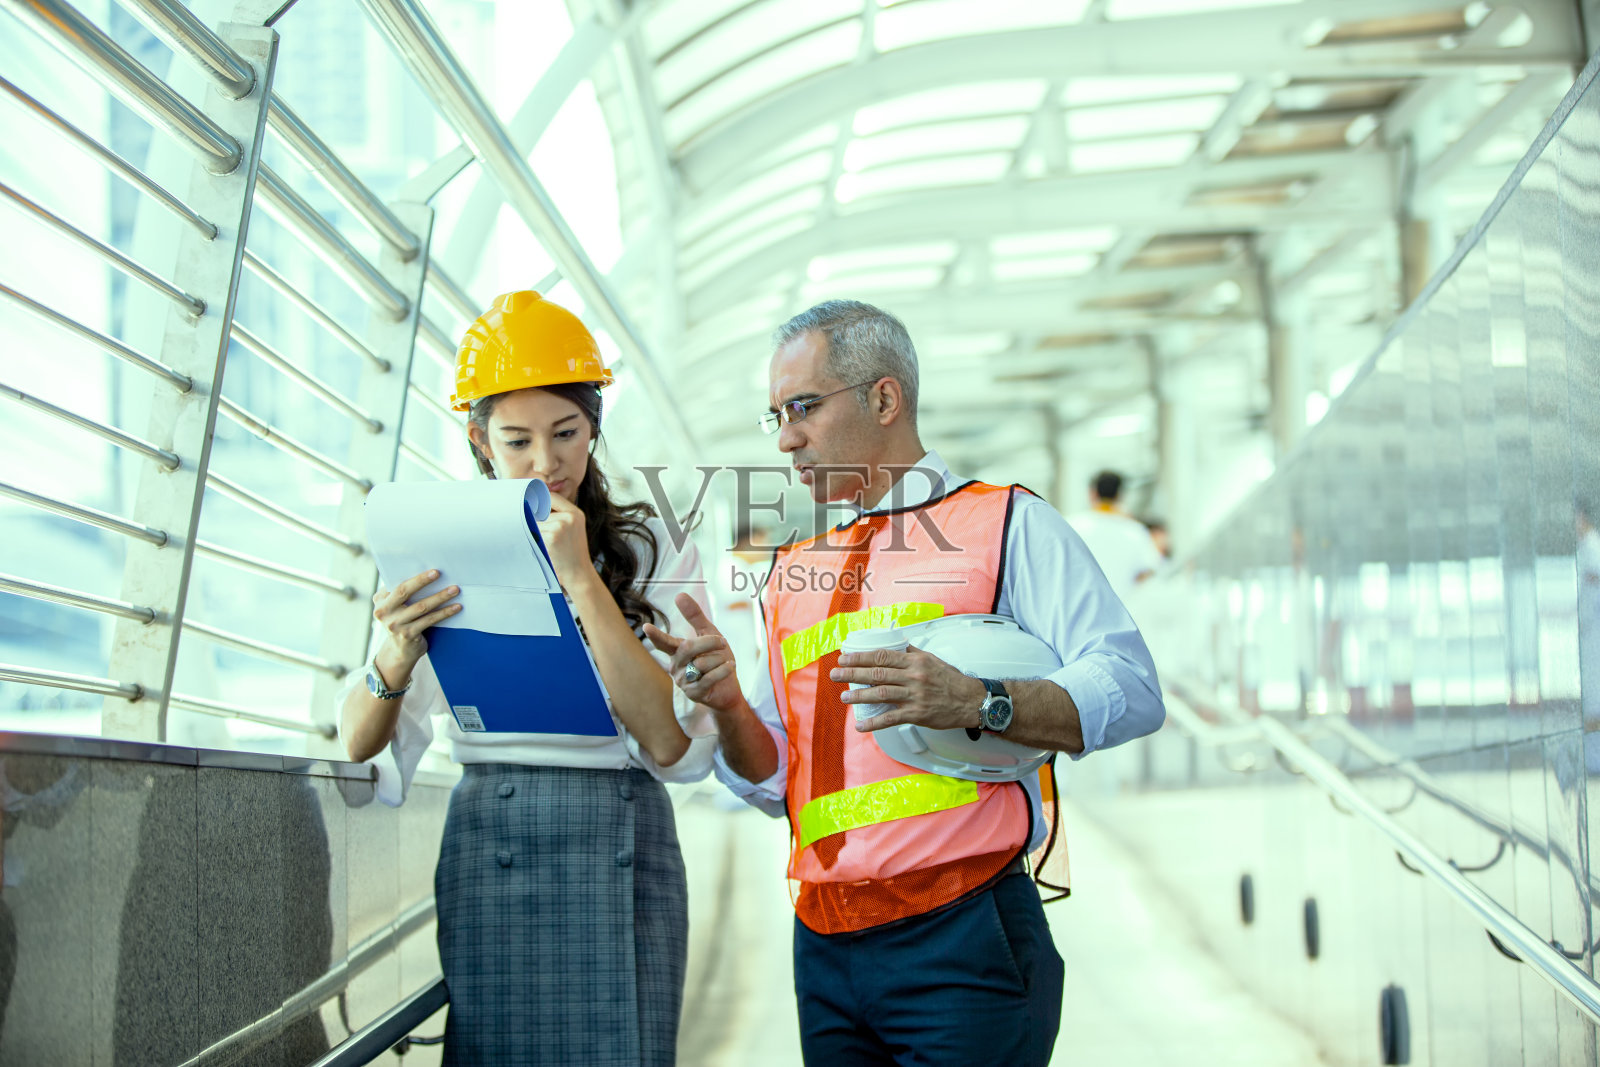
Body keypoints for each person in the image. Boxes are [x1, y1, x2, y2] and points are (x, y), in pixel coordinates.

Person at [644, 300, 1165, 1066]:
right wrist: (725, 705)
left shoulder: (1006, 524)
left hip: (963, 934)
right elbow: (776, 778)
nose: (786, 437)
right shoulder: (790, 573)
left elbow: (1132, 685)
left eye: (803, 407)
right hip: (823, 945)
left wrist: (981, 701)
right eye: (776, 416)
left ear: (884, 399)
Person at [339, 290, 714, 1066]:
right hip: (494, 843)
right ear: (480, 442)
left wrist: (582, 582)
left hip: (624, 836)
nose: (547, 463)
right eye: (517, 441)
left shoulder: (651, 549)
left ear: (595, 426)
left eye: (567, 433)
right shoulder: (440, 546)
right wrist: (398, 655)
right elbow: (358, 741)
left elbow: (671, 744)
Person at [1067, 470, 1164, 600]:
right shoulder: (1135, 532)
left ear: (1092, 493)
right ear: (1120, 495)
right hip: (1123, 610)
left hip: (1081, 610)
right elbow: (1148, 572)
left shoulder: (1073, 526)